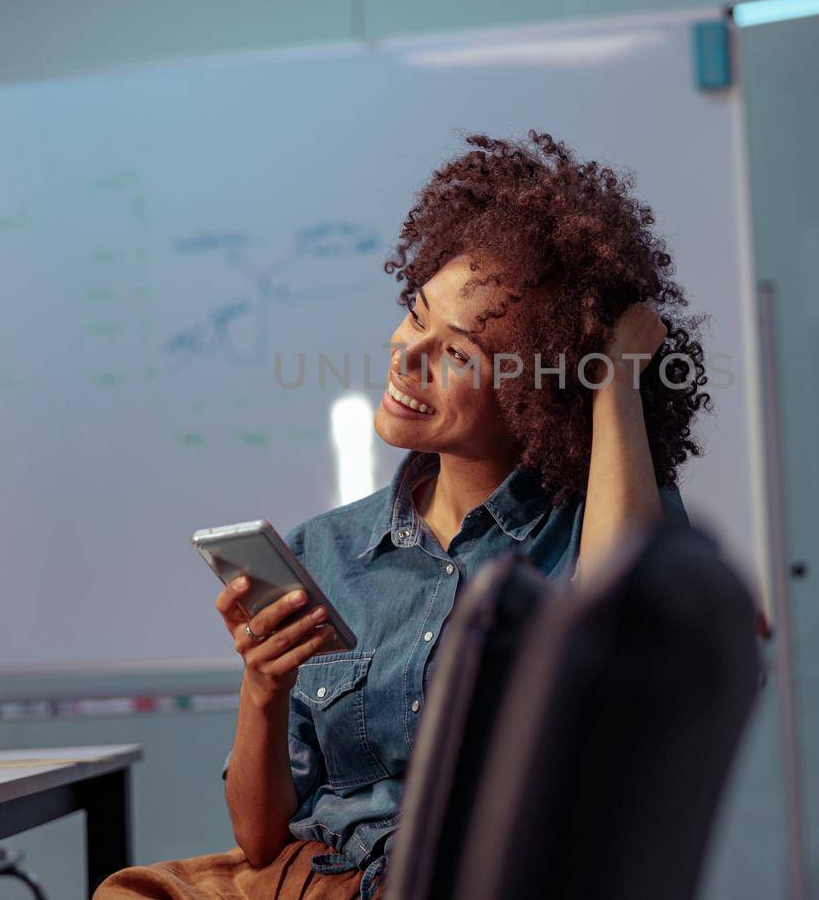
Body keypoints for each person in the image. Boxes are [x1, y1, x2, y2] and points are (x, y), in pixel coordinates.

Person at [95, 130, 711, 900]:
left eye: (456, 353)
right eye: (414, 314)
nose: (406, 355)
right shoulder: (326, 549)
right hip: (324, 876)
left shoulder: (607, 527)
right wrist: (262, 686)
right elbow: (256, 839)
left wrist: (611, 375)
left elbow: (632, 621)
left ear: (538, 392)